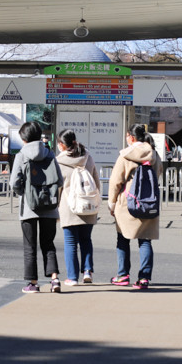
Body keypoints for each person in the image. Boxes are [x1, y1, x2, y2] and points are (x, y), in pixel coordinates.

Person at [9, 121, 64, 294]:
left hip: (28, 208)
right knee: (48, 244)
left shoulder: (21, 155)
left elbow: (14, 182)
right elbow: (60, 180)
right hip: (49, 206)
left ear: (24, 138)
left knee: (30, 246)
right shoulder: (50, 154)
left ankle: (33, 283)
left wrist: (23, 193)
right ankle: (54, 279)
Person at [108, 124, 160, 290]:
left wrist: (112, 203)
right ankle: (144, 278)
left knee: (122, 238)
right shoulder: (154, 154)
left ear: (131, 137)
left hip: (127, 203)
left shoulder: (125, 156)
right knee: (145, 240)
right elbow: (158, 172)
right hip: (149, 201)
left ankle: (123, 275)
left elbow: (115, 181)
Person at [56, 128, 101, 285]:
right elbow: (96, 180)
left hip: (69, 206)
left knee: (70, 242)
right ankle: (87, 271)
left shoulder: (59, 162)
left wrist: (55, 208)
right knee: (86, 240)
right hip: (87, 204)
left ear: (61, 145)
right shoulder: (87, 157)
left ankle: (72, 277)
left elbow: (57, 188)